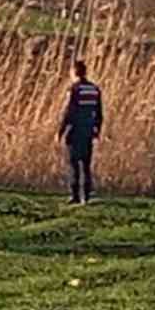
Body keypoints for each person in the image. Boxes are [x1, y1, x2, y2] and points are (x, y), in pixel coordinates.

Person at [57, 61, 104, 205]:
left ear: (74, 72)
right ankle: (88, 194)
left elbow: (68, 112)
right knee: (86, 163)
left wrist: (61, 130)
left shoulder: (74, 89)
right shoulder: (94, 89)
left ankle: (75, 195)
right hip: (88, 131)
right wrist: (97, 129)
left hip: (75, 130)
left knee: (73, 163)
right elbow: (99, 113)